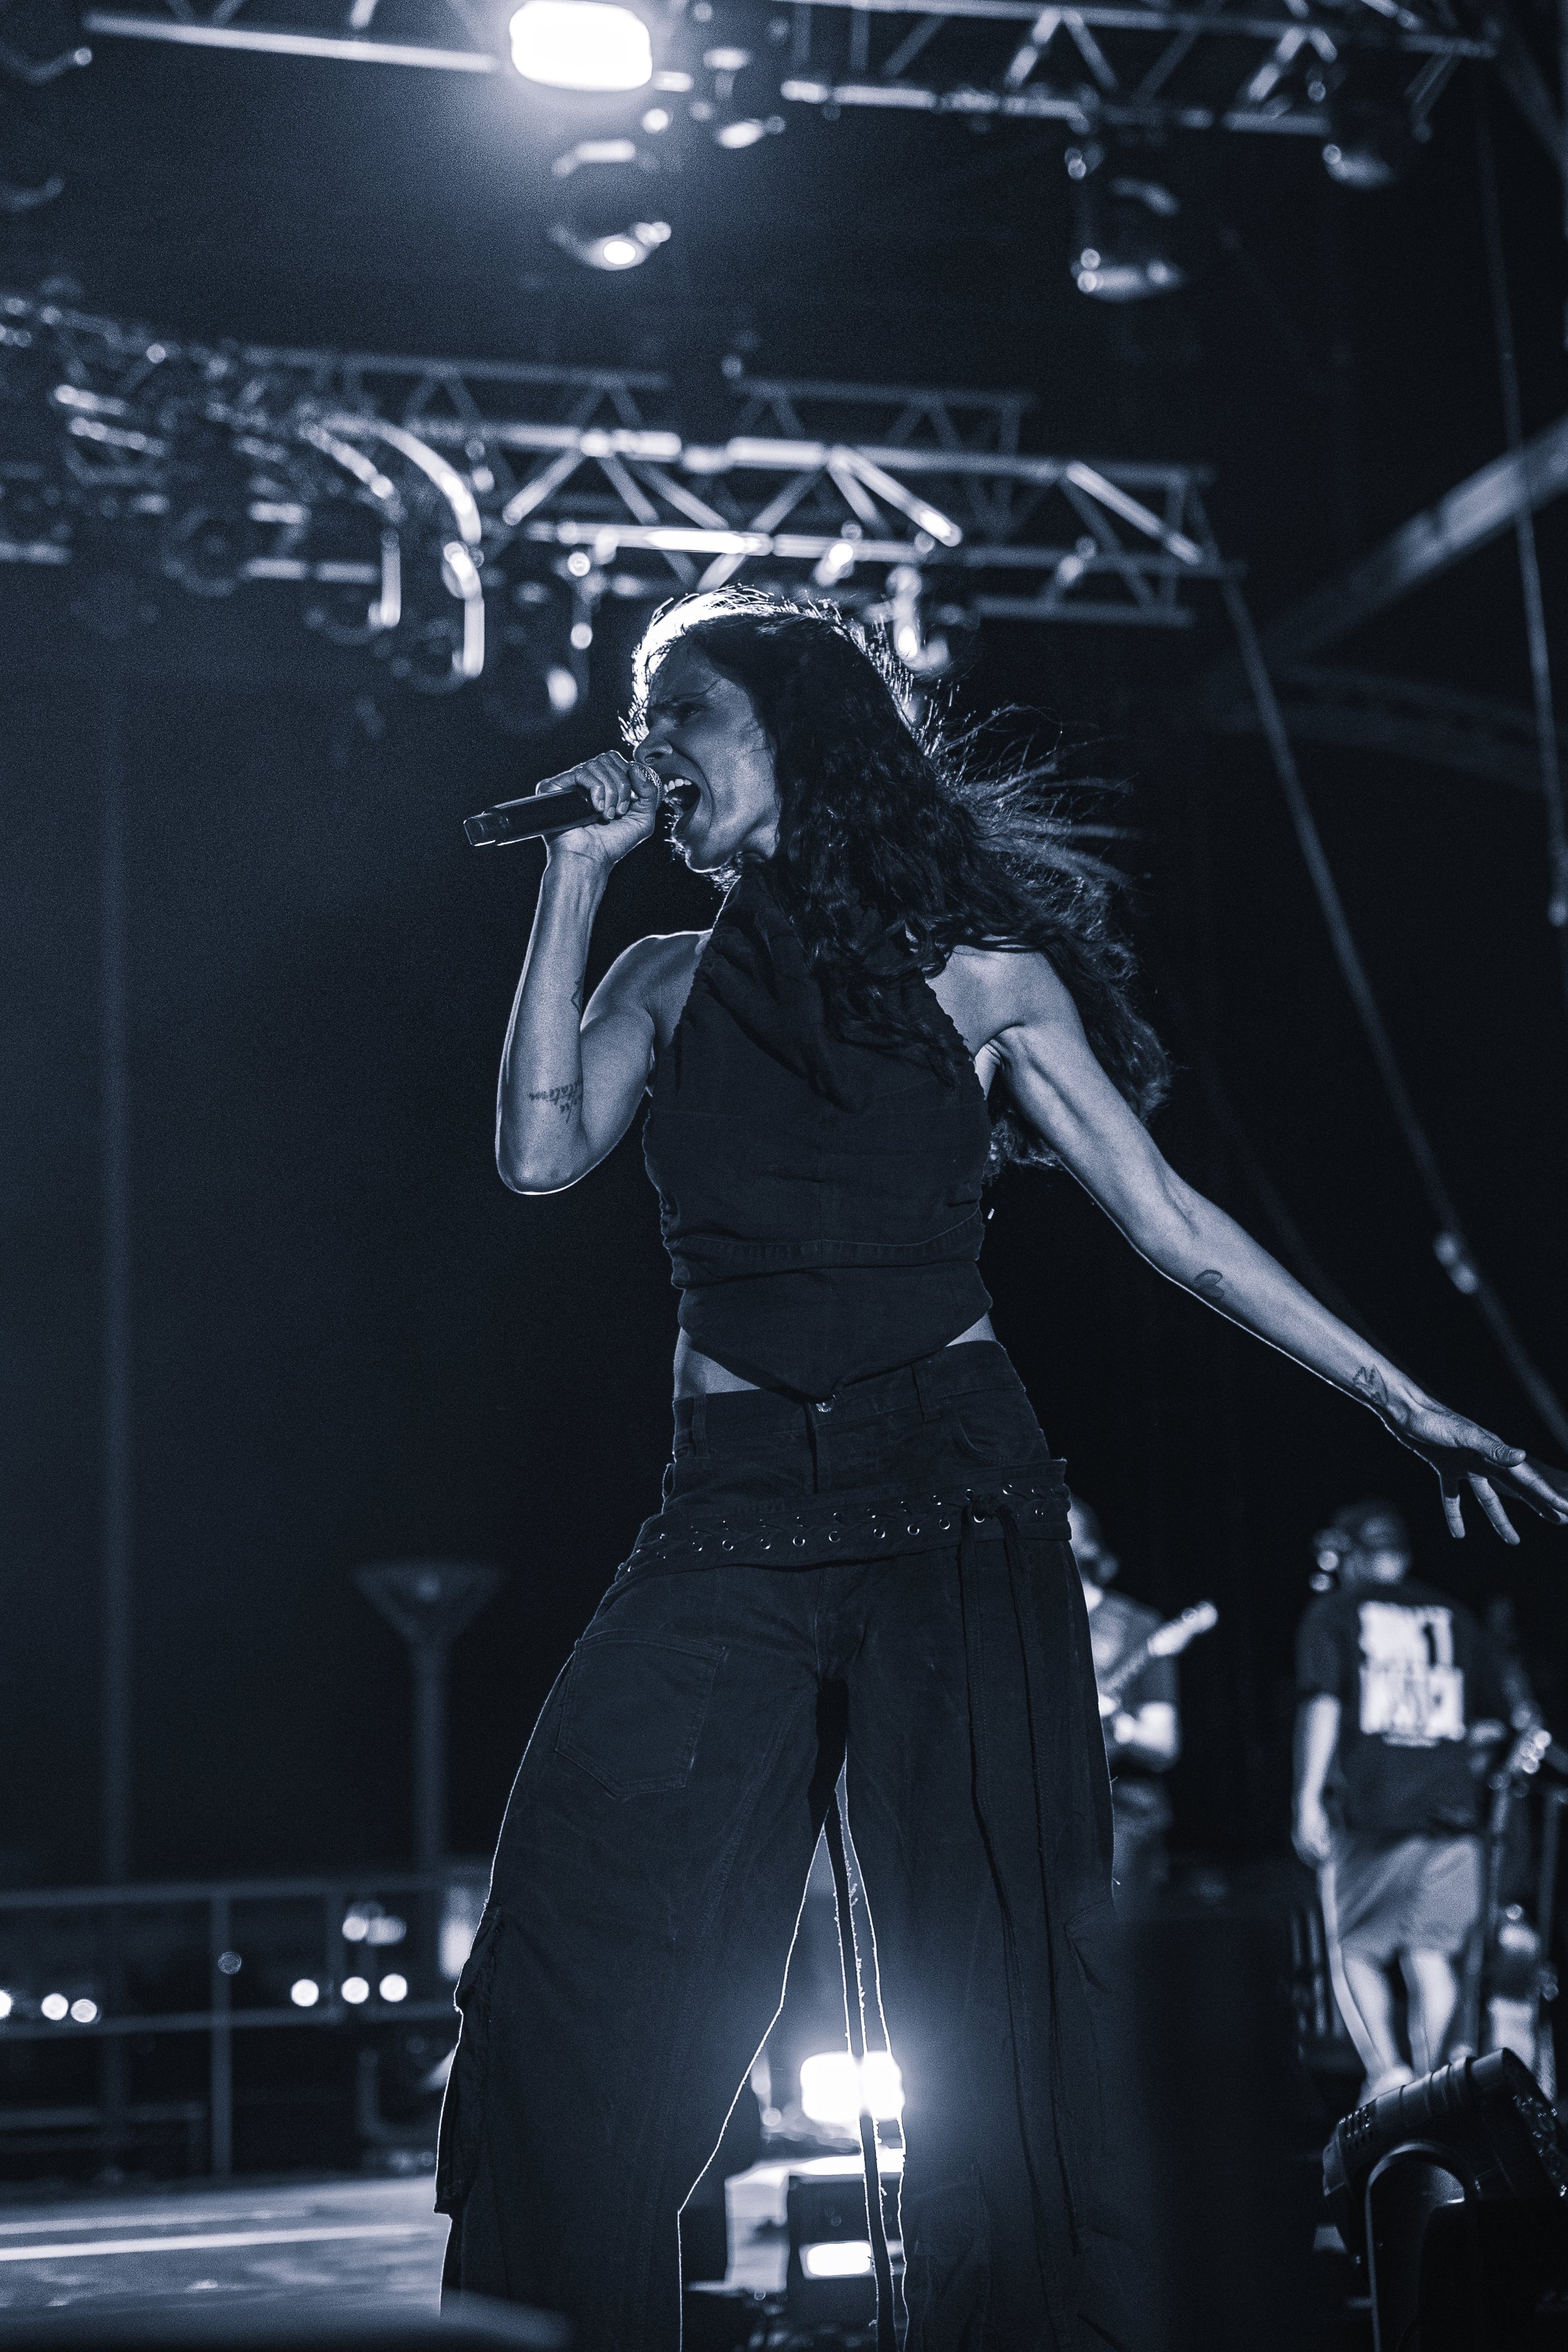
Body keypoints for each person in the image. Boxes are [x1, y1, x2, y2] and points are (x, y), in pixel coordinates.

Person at [437, 591, 1564, 2352]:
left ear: (795, 731)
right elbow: (533, 1151)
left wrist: (1402, 1398)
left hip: (952, 1497)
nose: (658, 755)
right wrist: (574, 872)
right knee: (580, 1926)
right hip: (726, 1512)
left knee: (1004, 1995)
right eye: (644, 722)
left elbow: (1172, 1225)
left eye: (687, 716)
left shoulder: (980, 974)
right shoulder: (661, 976)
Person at [1292, 1498, 1510, 2100]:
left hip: (1371, 1811)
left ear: (1349, 1555)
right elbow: (1494, 1726)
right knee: (1431, 1953)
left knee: (1356, 1948)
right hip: (1453, 1815)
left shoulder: (1334, 1613)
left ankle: (1388, 2075)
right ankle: (1442, 2091)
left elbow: (1324, 1703)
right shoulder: (1457, 1617)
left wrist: (1306, 1797)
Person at [1069, 1496, 1180, 1907]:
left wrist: (1118, 1720)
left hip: (1121, 1814)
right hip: (1044, 1812)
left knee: (1117, 1951)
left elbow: (1164, 1745)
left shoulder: (1136, 1626)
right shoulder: (1023, 1629)